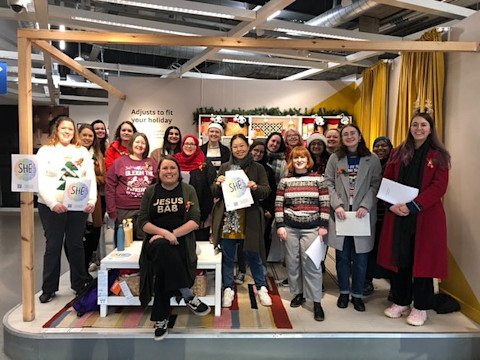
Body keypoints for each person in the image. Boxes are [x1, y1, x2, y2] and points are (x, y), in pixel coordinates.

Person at [378, 112, 450, 326]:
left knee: (423, 263)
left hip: (425, 217)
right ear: (409, 128)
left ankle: (420, 306)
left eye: (423, 125)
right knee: (401, 259)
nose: (419, 128)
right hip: (398, 215)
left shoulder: (439, 155)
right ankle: (401, 301)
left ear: (430, 128)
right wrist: (391, 205)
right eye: (415, 124)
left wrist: (413, 206)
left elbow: (439, 187)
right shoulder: (399, 152)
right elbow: (387, 179)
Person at [138, 156, 210, 341]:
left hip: (182, 242)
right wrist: (164, 234)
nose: (169, 172)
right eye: (165, 168)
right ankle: (187, 293)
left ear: (179, 173)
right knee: (162, 248)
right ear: (159, 172)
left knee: (164, 267)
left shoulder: (188, 190)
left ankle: (161, 319)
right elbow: (143, 221)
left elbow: (195, 220)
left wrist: (173, 234)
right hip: (155, 242)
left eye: (172, 168)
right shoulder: (151, 191)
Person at [36, 116, 97, 303]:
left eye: (71, 129)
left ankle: (79, 284)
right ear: (57, 129)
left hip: (77, 205)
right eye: (64, 128)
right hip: (51, 206)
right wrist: (53, 203)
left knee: (76, 245)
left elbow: (90, 177)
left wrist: (92, 200)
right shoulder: (45, 151)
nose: (68, 132)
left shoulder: (82, 152)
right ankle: (48, 288)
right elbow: (40, 181)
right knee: (53, 245)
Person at [325, 124, 382, 312]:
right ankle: (343, 291)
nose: (349, 136)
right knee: (342, 257)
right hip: (341, 214)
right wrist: (337, 204)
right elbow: (328, 183)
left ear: (359, 136)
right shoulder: (335, 158)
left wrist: (366, 204)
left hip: (361, 215)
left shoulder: (371, 159)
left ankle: (357, 294)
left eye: (353, 133)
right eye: (345, 134)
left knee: (361, 257)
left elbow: (376, 184)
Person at [211, 134, 272, 308]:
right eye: (235, 146)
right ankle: (228, 288)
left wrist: (255, 187)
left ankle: (261, 287)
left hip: (250, 216)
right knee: (228, 256)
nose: (239, 149)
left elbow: (266, 191)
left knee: (254, 254)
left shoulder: (258, 168)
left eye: (242, 146)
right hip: (229, 218)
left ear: (248, 147)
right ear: (231, 149)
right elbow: (214, 192)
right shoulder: (225, 167)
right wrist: (218, 183)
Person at [275, 146, 330, 321]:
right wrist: (280, 225)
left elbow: (325, 203)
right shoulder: (285, 181)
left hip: (312, 228)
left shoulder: (318, 180)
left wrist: (323, 225)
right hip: (290, 228)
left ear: (308, 160)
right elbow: (279, 205)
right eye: (296, 158)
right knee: (292, 263)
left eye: (303, 158)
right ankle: (298, 293)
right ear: (292, 161)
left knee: (312, 265)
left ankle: (316, 301)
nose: (299, 161)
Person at [105, 132, 157, 240]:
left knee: (144, 245)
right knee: (124, 245)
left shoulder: (151, 162)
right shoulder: (119, 162)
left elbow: (158, 184)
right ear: (131, 144)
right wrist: (112, 211)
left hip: (145, 211)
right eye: (137, 142)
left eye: (143, 143)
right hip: (124, 212)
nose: (140, 145)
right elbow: (109, 187)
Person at [363, 136, 394, 296]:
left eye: (384, 146)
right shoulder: (369, 164)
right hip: (371, 213)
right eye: (377, 146)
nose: (380, 149)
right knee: (369, 248)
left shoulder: (395, 165)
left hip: (390, 216)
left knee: (389, 250)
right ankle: (367, 281)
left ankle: (394, 286)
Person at [174, 135, 216, 241]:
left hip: (200, 214)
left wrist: (209, 217)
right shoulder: (174, 161)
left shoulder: (205, 163)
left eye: (192, 144)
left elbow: (212, 189)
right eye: (186, 144)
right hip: (176, 213)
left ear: (197, 146)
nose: (189, 146)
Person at [78, 124, 106, 274]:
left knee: (93, 233)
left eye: (90, 136)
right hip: (74, 196)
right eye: (85, 135)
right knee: (75, 235)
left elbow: (104, 176)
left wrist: (91, 178)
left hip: (93, 198)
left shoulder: (98, 155)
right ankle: (78, 268)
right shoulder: (73, 153)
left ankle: (86, 266)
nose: (87, 138)